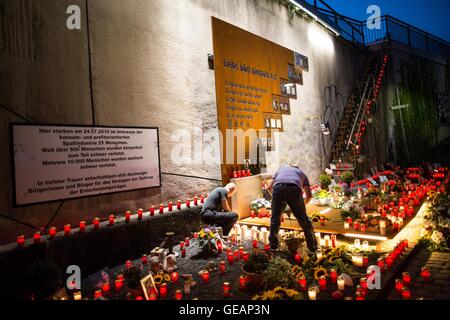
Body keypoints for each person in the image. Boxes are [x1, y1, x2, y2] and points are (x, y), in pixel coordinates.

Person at [267, 164, 318, 252]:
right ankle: (312, 247)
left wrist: (277, 201)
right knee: (303, 220)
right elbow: (309, 196)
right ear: (297, 169)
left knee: (275, 219)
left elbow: (268, 187)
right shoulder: (302, 173)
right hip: (294, 189)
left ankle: (273, 246)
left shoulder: (280, 169)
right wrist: (301, 206)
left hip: (277, 189)